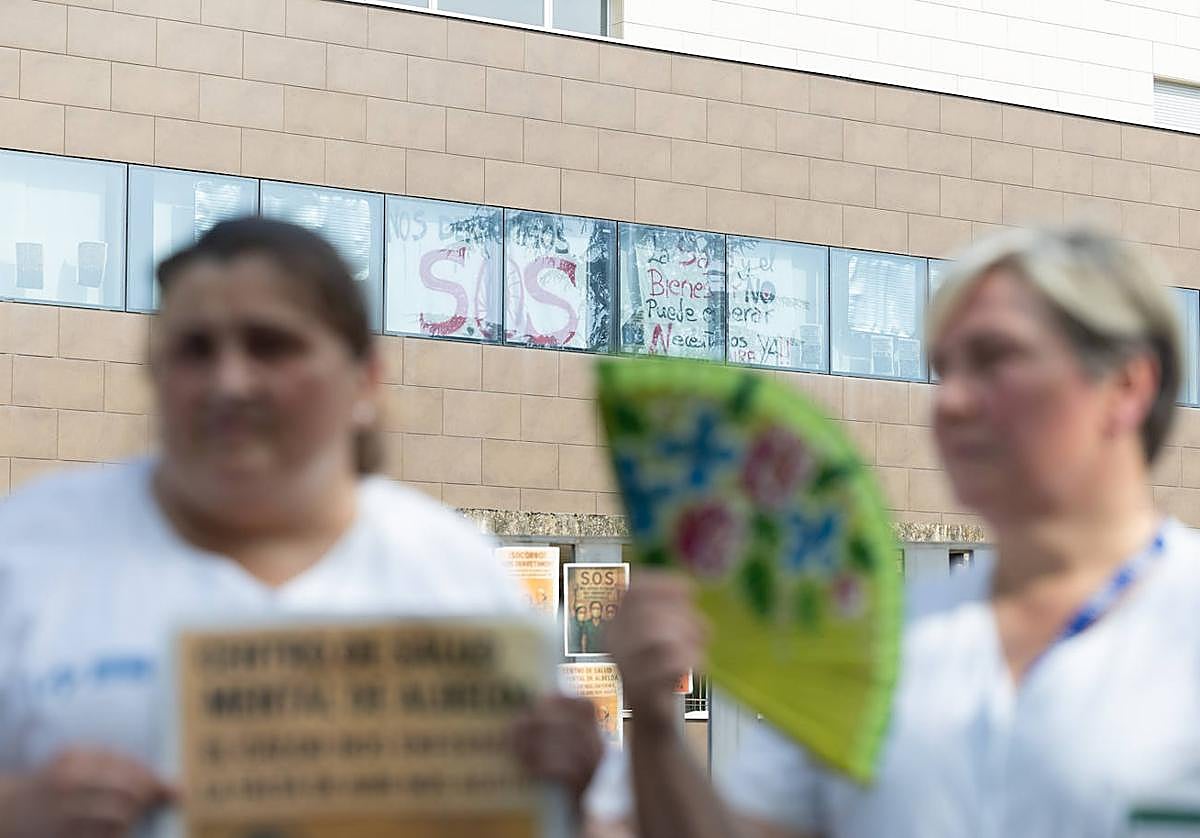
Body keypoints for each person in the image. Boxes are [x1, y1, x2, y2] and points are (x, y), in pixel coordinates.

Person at [0, 219, 603, 837]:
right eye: (195, 350)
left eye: (271, 345)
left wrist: (566, 800)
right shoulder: (25, 551)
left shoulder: (456, 572)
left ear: (365, 376)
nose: (230, 383)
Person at [603, 227, 1200, 838]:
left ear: (1127, 385)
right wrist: (653, 725)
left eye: (994, 358)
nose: (950, 402)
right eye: (943, 369)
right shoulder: (868, 641)